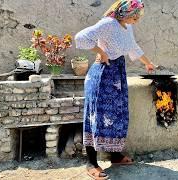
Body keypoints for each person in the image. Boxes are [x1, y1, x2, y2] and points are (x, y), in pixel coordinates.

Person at [75, 0, 155, 179]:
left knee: (117, 115)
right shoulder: (108, 24)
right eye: (135, 15)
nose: (137, 18)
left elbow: (133, 47)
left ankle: (115, 155)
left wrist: (147, 63)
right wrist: (101, 52)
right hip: (102, 74)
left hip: (117, 74)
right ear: (125, 13)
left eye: (139, 15)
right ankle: (91, 162)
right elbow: (81, 37)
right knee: (96, 117)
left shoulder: (128, 26)